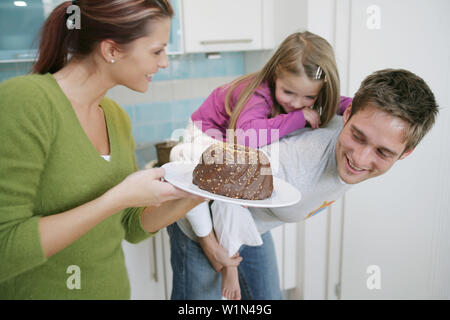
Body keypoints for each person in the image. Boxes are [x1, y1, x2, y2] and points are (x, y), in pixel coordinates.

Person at [168, 68, 439, 299]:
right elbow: (184, 164)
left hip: (249, 224)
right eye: (357, 136)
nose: (360, 158)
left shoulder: (355, 124)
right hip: (199, 219)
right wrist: (211, 246)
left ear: (405, 154)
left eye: (383, 152)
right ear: (347, 116)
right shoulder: (289, 160)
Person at [0, 0, 205, 299]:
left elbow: (131, 226)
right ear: (110, 50)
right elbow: (6, 246)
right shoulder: (25, 102)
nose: (164, 63)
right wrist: (115, 198)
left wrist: (197, 194)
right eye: (157, 51)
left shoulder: (115, 116)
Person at [169, 31, 352, 300]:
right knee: (228, 196)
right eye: (288, 92)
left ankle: (230, 258)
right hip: (206, 135)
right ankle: (230, 264)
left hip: (230, 144)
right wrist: (299, 118)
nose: (295, 103)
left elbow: (334, 102)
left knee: (234, 196)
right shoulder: (258, 93)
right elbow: (246, 136)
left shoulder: (302, 91)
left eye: (308, 98)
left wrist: (355, 105)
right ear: (276, 73)